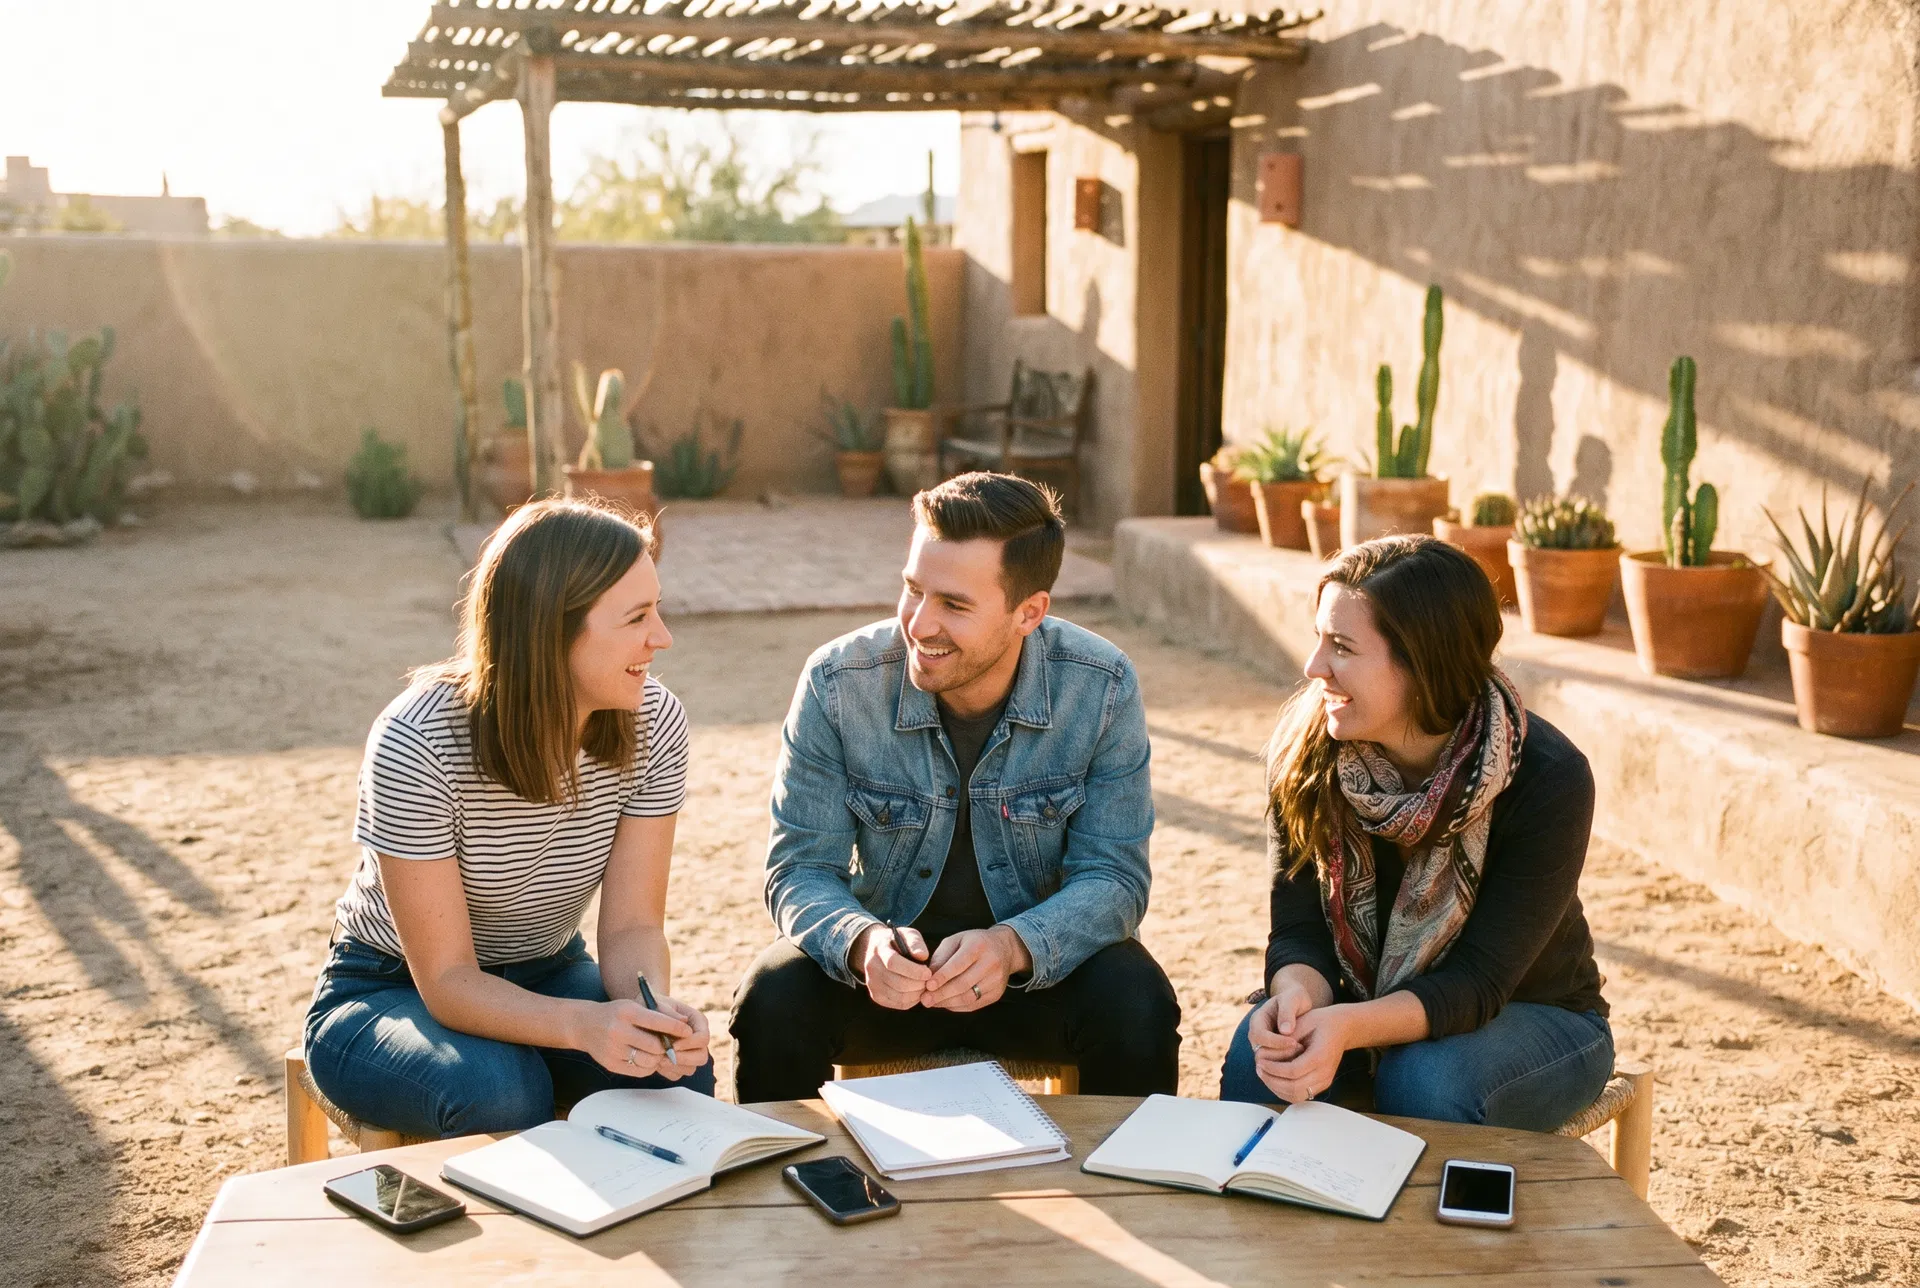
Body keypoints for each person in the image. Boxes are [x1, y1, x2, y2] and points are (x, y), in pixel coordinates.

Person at [729, 472, 1180, 1102]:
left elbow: (1114, 878)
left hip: (1033, 979)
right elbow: (799, 869)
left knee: (1138, 1002)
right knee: (772, 996)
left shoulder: (1099, 685)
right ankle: (787, 1193)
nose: (919, 623)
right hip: (884, 984)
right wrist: (861, 943)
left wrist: (1013, 946)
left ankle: (1128, 1191)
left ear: (1030, 613)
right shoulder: (838, 682)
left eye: (954, 604)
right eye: (913, 590)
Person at [304, 499, 714, 1139]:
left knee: (675, 1076)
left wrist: (649, 1009)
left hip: (546, 969)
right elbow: (446, 981)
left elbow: (633, 925)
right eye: (637, 617)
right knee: (500, 1090)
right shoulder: (418, 740)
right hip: (388, 988)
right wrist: (582, 1026)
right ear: (551, 630)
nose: (662, 637)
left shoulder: (654, 722)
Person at [1219, 534, 1611, 1129]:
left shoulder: (1546, 777)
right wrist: (1298, 998)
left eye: (1343, 647)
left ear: (1423, 663)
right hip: (1357, 1000)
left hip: (1535, 1013)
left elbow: (1479, 984)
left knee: (1425, 1081)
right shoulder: (1307, 755)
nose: (1313, 667)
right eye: (1319, 638)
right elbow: (1298, 930)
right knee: (1258, 1063)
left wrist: (1347, 1028)